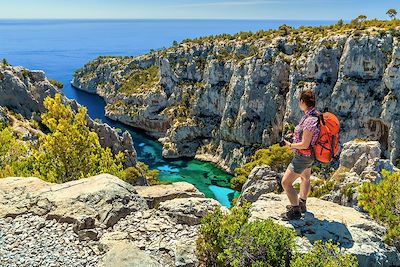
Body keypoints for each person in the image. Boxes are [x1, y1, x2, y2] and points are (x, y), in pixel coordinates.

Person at [281, 89, 320, 220]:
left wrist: (290, 145)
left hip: (303, 156)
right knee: (305, 178)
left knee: (286, 183)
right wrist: (294, 136)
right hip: (308, 156)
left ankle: (295, 210)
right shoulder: (313, 115)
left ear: (302, 102)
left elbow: (305, 144)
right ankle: (302, 203)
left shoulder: (310, 120)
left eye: (299, 101)